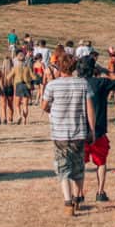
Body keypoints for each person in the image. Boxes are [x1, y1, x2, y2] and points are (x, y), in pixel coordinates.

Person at [41, 53, 95, 217]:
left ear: (59, 67)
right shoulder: (83, 84)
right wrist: (92, 129)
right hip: (78, 132)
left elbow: (44, 106)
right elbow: (89, 108)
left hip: (60, 133)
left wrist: (52, 109)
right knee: (78, 167)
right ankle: (78, 197)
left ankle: (68, 202)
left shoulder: (52, 85)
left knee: (63, 168)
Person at [81, 56, 115, 202]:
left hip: (80, 129)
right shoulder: (101, 82)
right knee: (101, 162)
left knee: (80, 164)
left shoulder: (78, 83)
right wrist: (105, 70)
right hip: (98, 129)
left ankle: (78, 193)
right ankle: (100, 192)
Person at [11, 52, 34, 124]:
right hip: (26, 86)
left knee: (17, 104)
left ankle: (19, 115)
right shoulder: (28, 68)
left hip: (18, 85)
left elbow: (9, 77)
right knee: (25, 104)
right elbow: (33, 77)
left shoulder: (16, 68)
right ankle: (25, 120)